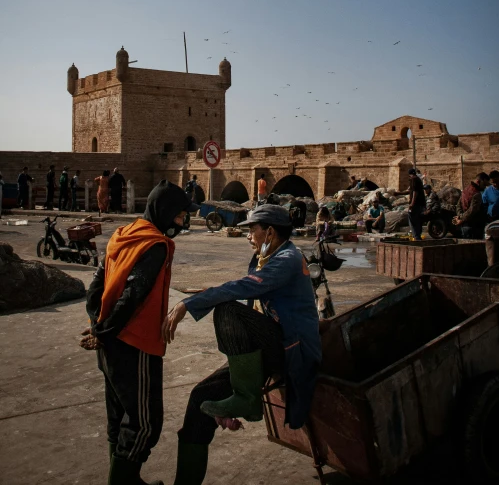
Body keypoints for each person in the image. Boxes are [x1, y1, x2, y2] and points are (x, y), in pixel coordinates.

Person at [162, 205, 321, 485]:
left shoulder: (287, 259)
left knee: (228, 310)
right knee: (200, 399)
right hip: (269, 346)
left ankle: (246, 399)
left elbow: (243, 289)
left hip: (291, 350)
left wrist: (189, 303)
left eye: (252, 229)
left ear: (269, 231)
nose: (248, 235)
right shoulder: (264, 258)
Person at [80, 180, 199, 485]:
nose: (182, 222)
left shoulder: (123, 235)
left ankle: (126, 479)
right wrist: (105, 332)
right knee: (145, 423)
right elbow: (133, 294)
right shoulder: (155, 246)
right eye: (180, 215)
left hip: (110, 344)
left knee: (119, 417)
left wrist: (98, 326)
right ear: (166, 212)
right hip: (136, 345)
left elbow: (96, 288)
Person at [454, 172, 490, 238]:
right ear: (480, 181)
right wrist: (461, 217)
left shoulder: (465, 190)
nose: (484, 187)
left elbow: (459, 205)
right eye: (484, 185)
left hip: (465, 226)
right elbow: (472, 211)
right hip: (474, 226)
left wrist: (460, 216)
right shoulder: (477, 194)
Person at [408, 168, 426, 240]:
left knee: (412, 219)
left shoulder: (414, 180)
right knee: (418, 220)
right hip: (421, 204)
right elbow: (412, 191)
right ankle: (418, 236)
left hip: (416, 204)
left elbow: (415, 192)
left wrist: (412, 203)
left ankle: (416, 236)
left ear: (410, 175)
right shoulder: (418, 179)